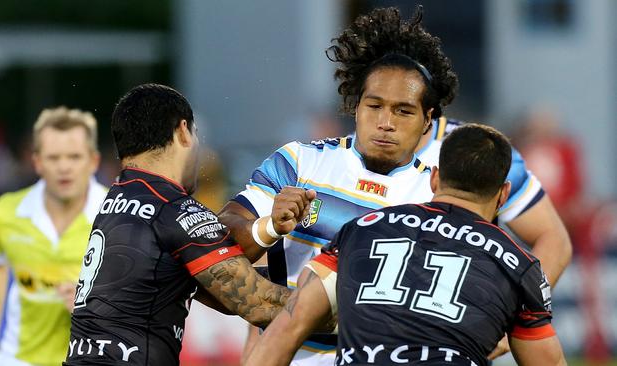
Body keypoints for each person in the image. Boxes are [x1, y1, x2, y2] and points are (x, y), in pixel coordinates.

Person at [218, 7, 571, 364]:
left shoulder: (453, 176)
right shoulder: (299, 163)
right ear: (356, 105)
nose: (386, 122)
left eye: (403, 108)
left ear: (427, 116)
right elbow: (219, 246)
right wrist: (268, 229)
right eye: (375, 105)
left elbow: (547, 242)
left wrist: (508, 324)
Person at [245, 124, 567, 366]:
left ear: (435, 179)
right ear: (504, 194)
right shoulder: (517, 266)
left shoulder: (364, 228)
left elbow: (291, 323)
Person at [64, 83, 290, 365]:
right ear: (183, 131)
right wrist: (350, 300)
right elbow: (258, 303)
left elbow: (216, 291)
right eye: (196, 135)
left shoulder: (118, 198)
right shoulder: (175, 209)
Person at [0, 107, 108, 366]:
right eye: (53, 157)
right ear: (37, 162)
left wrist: (93, 304)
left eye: (74, 157)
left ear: (93, 161)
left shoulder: (116, 215)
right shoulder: (7, 212)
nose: (64, 167)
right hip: (18, 359)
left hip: (91, 360)